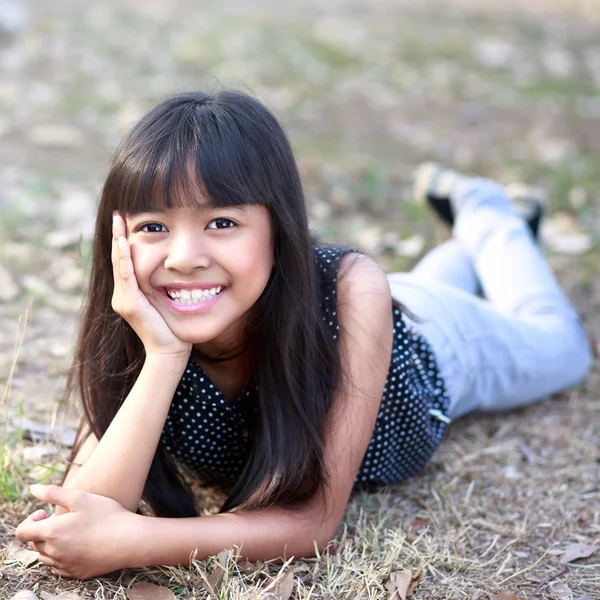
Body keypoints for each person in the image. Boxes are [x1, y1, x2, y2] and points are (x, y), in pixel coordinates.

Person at [15, 90, 593, 579]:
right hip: (386, 302)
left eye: (222, 222)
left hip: (442, 345)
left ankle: (487, 211)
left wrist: (133, 540)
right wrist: (165, 354)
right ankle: (463, 251)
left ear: (277, 228)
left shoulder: (350, 288)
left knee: (561, 347)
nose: (184, 257)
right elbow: (86, 507)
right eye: (153, 226)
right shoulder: (138, 322)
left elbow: (314, 522)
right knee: (426, 282)